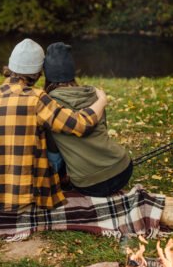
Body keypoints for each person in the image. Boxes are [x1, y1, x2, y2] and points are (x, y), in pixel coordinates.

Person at [0, 39, 108, 212]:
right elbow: (80, 124)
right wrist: (102, 101)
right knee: (47, 134)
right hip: (25, 199)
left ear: (9, 66)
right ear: (39, 72)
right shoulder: (37, 98)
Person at [43, 42, 133, 197]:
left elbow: (54, 153)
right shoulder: (93, 94)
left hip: (88, 184)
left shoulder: (49, 106)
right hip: (122, 168)